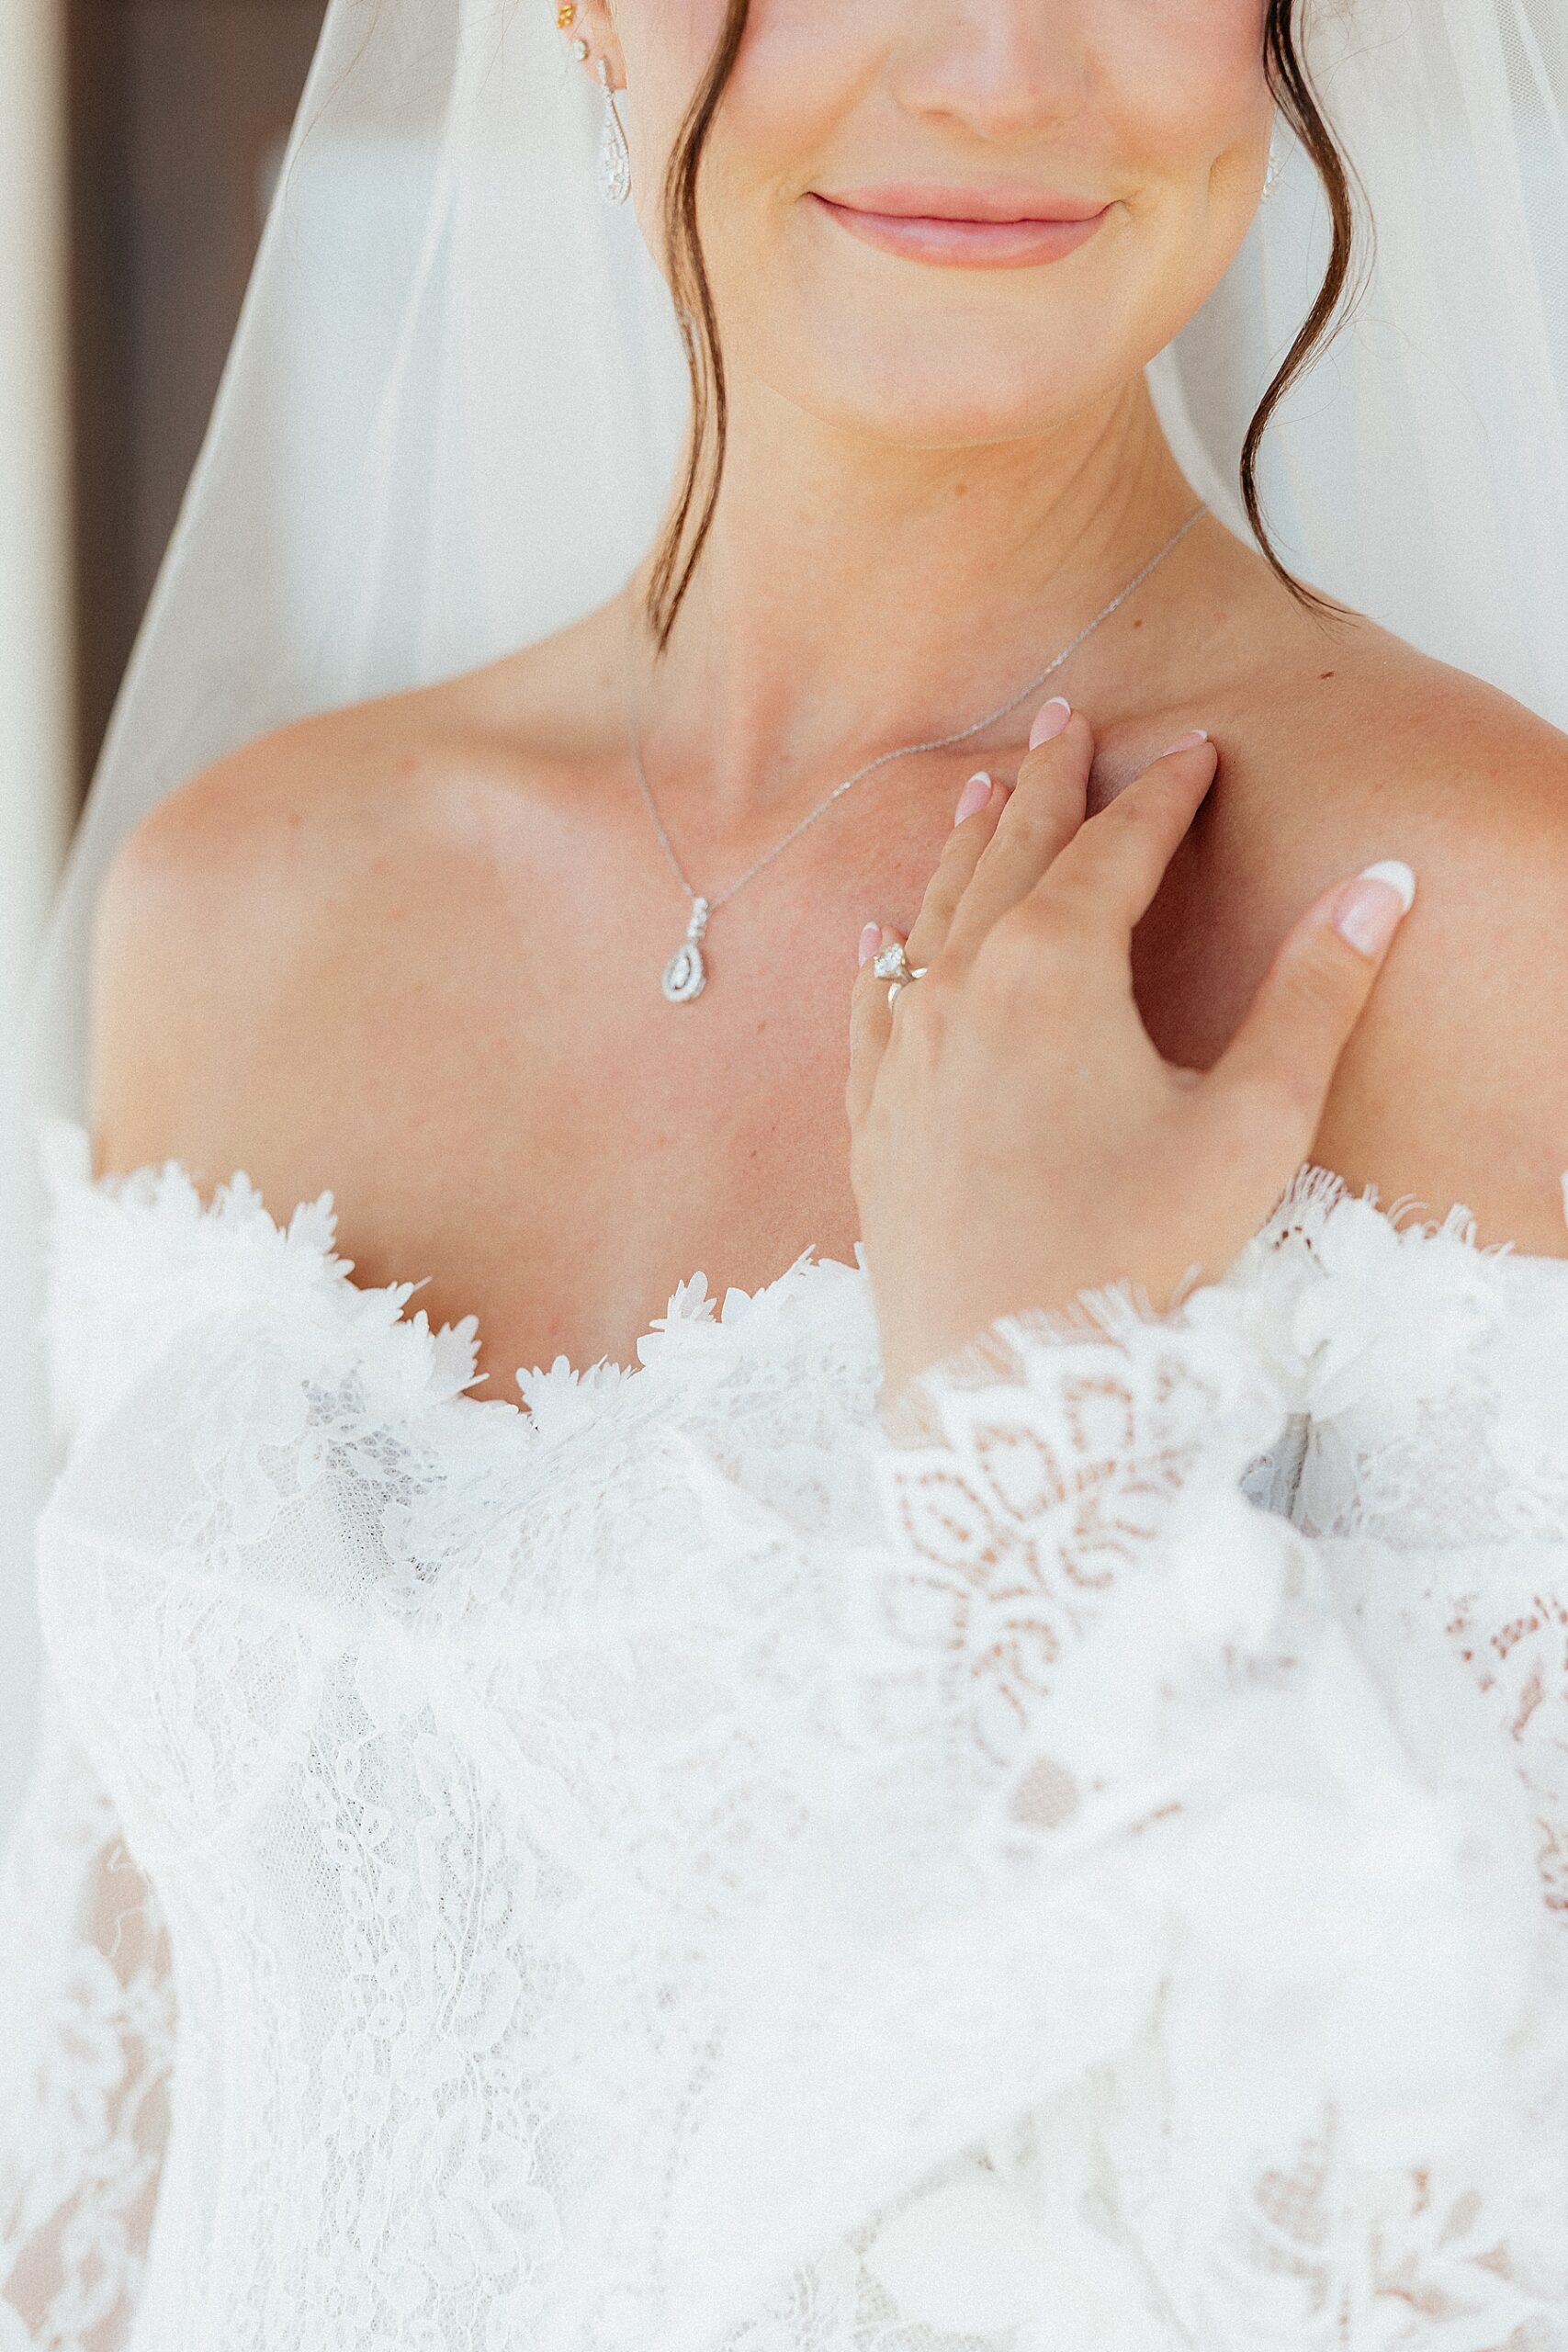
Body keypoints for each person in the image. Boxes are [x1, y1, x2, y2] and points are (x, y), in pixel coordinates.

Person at [4, 2, 1568, 2345]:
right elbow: (110, 2152)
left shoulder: (1471, 925)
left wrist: (1045, 1409)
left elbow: (1461, 2221)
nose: (1000, 69)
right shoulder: (240, 905)